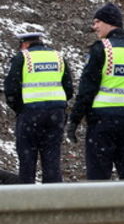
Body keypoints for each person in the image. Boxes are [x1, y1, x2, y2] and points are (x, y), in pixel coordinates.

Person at [67, 3, 124, 180]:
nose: (94, 27)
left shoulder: (102, 49)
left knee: (99, 176)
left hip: (102, 121)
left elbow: (87, 89)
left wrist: (75, 119)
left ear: (109, 22)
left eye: (97, 21)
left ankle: (101, 208)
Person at [4, 31, 73, 183]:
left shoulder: (23, 57)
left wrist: (19, 108)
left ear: (24, 44)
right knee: (52, 160)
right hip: (56, 114)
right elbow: (69, 88)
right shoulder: (58, 57)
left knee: (27, 161)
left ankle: (27, 201)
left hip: (30, 114)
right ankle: (54, 200)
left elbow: (10, 89)